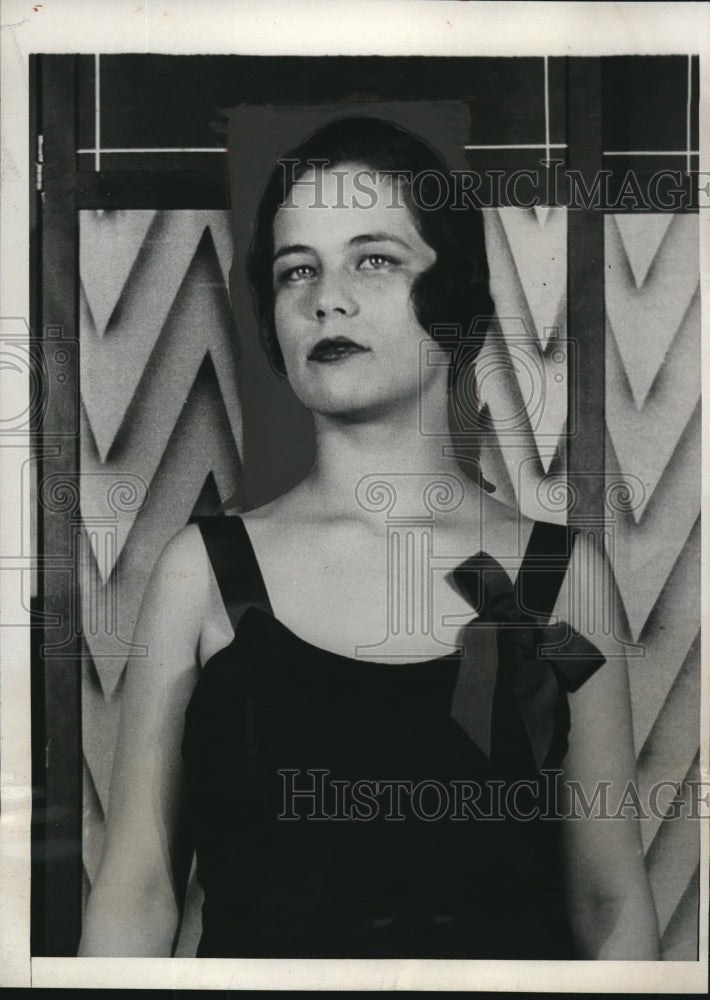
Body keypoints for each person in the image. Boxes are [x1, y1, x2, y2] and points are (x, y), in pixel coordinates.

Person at [79, 116, 659, 959]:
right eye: (296, 270)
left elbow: (610, 906)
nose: (327, 297)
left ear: (455, 290)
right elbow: (138, 894)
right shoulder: (202, 574)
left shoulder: (558, 582)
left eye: (374, 258)